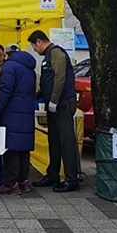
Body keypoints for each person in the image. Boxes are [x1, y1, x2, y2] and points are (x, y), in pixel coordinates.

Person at [27, 29, 80, 192]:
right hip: (54, 104)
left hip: (62, 103)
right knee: (54, 141)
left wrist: (54, 100)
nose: (35, 50)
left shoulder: (56, 53)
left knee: (67, 142)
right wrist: (36, 96)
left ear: (39, 42)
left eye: (34, 47)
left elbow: (60, 78)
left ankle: (72, 179)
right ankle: (53, 175)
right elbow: (47, 82)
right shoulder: (48, 56)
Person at [0, 48, 37, 195]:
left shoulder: (10, 67)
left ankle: (11, 184)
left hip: (11, 113)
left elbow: (5, 91)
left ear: (7, 55)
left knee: (11, 149)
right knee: (23, 148)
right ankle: (23, 181)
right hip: (26, 112)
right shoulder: (29, 68)